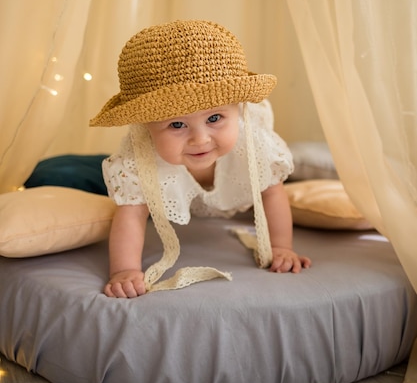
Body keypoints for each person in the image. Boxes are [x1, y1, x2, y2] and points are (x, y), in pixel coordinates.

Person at [90, 19, 311, 298]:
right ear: (146, 125)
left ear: (239, 109)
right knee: (84, 178)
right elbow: (132, 213)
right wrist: (124, 270)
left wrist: (281, 247)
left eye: (215, 118)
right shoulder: (138, 160)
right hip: (151, 174)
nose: (200, 139)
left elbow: (272, 193)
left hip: (209, 188)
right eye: (177, 125)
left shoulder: (254, 144)